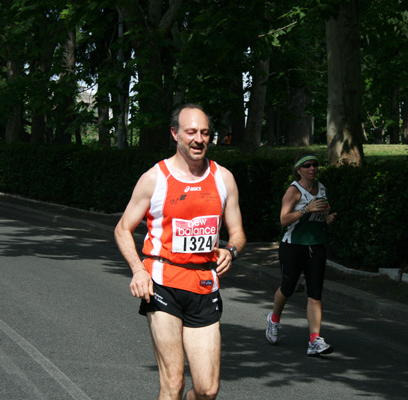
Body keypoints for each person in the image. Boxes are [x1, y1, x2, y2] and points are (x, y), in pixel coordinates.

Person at [114, 104, 246, 400]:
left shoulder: (223, 178)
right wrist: (138, 270)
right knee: (173, 382)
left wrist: (232, 250)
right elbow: (123, 229)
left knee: (207, 390)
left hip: (204, 284)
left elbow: (237, 232)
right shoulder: (155, 178)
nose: (198, 139)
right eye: (191, 132)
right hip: (163, 282)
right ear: (175, 134)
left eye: (205, 133)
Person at [265, 153, 337, 356]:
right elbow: (284, 219)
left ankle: (315, 340)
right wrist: (306, 209)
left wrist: (326, 217)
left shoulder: (320, 187)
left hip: (316, 245)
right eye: (307, 166)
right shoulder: (293, 191)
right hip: (293, 246)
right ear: (299, 170)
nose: (312, 169)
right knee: (288, 288)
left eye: (315, 165)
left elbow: (320, 213)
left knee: (315, 294)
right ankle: (274, 319)